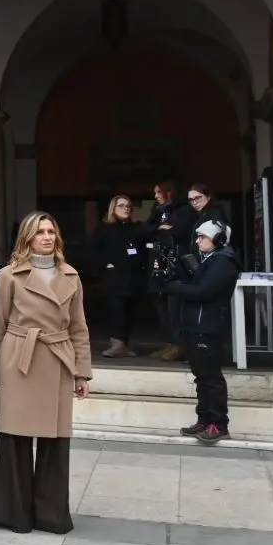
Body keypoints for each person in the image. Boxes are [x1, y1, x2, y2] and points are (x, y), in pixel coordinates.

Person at [0, 211, 92, 534]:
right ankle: (14, 514)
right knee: (15, 440)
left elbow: (79, 327)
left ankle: (52, 515)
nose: (47, 237)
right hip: (19, 359)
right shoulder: (8, 275)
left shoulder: (71, 276)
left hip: (58, 359)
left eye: (51, 231)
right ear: (27, 238)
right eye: (40, 232)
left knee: (55, 442)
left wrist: (82, 372)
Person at [164, 219, 241, 445]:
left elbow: (204, 291)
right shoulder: (210, 260)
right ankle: (204, 419)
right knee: (201, 376)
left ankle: (218, 423)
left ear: (217, 240)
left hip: (208, 327)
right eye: (197, 236)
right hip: (197, 326)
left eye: (202, 237)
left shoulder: (223, 262)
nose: (197, 240)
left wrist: (174, 287)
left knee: (211, 377)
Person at [90, 195, 150, 359]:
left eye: (128, 206)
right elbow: (94, 251)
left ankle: (124, 344)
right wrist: (105, 265)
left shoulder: (138, 228)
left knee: (130, 312)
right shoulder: (103, 229)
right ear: (113, 209)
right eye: (121, 205)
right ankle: (116, 344)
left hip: (134, 278)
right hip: (114, 279)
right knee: (116, 312)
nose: (126, 208)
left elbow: (147, 247)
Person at [148, 181, 197, 362]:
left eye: (159, 192)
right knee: (161, 306)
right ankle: (169, 342)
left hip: (176, 266)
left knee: (175, 307)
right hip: (158, 264)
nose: (156, 196)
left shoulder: (184, 210)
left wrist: (169, 230)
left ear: (169, 192)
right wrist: (160, 228)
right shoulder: (158, 211)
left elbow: (182, 232)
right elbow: (146, 230)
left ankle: (179, 345)